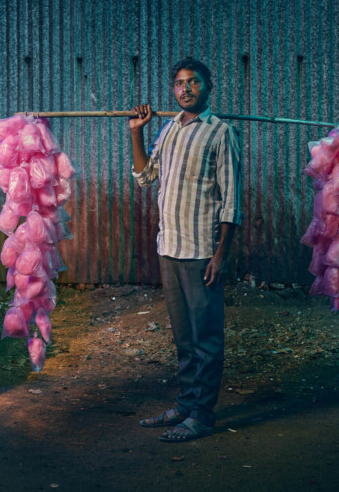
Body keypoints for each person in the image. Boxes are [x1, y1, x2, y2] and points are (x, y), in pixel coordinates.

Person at [129, 57, 243, 442]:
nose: (186, 89)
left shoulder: (221, 133)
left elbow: (231, 201)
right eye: (179, 83)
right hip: (170, 247)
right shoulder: (168, 129)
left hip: (201, 252)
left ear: (208, 86)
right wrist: (136, 133)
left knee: (206, 337)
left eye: (193, 82)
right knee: (184, 338)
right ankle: (186, 403)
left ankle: (203, 416)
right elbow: (145, 177)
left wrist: (221, 253)